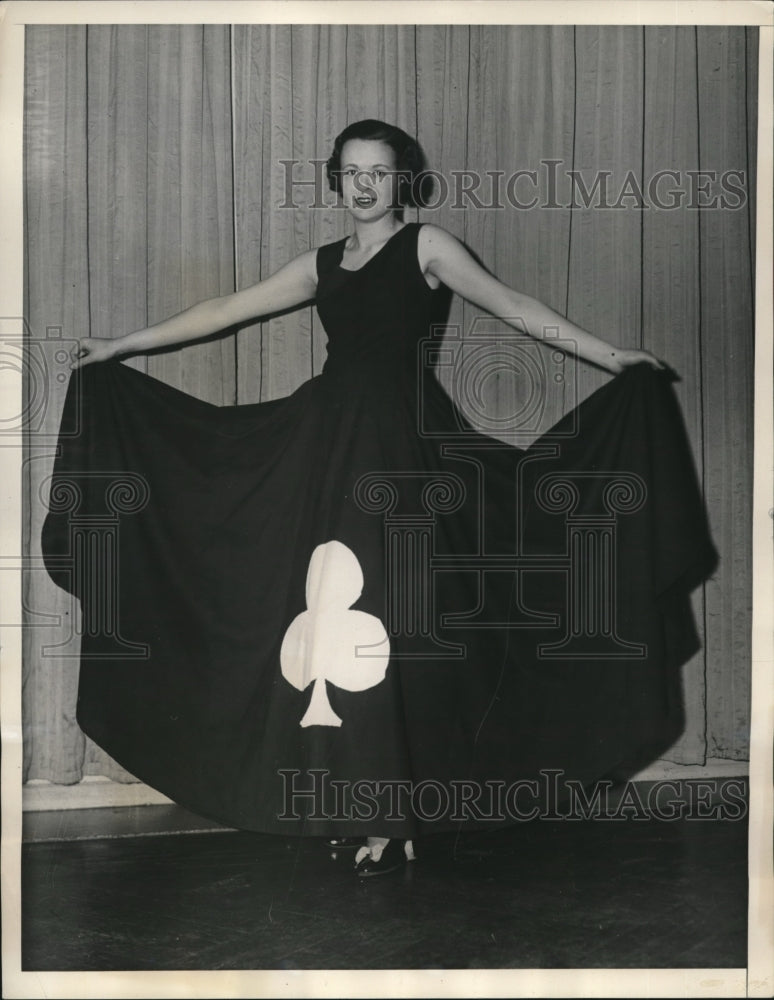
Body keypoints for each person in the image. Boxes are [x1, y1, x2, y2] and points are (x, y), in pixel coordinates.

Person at [59, 120, 701, 878]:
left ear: (406, 180)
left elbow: (513, 305)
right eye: (352, 172)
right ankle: (350, 800)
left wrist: (610, 355)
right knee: (329, 625)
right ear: (337, 179)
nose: (365, 184)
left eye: (380, 172)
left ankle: (395, 815)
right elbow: (224, 310)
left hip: (405, 454)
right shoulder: (323, 262)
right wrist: (121, 348)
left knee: (398, 624)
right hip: (326, 450)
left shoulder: (427, 247)